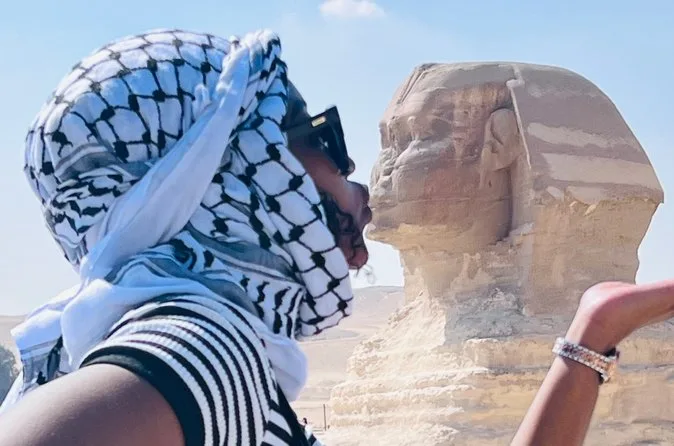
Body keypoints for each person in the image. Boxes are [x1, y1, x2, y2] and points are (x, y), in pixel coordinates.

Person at [0, 28, 672, 446]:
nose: (363, 175)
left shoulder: (150, 340)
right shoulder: (199, 350)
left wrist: (588, 339)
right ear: (226, 168)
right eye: (323, 139)